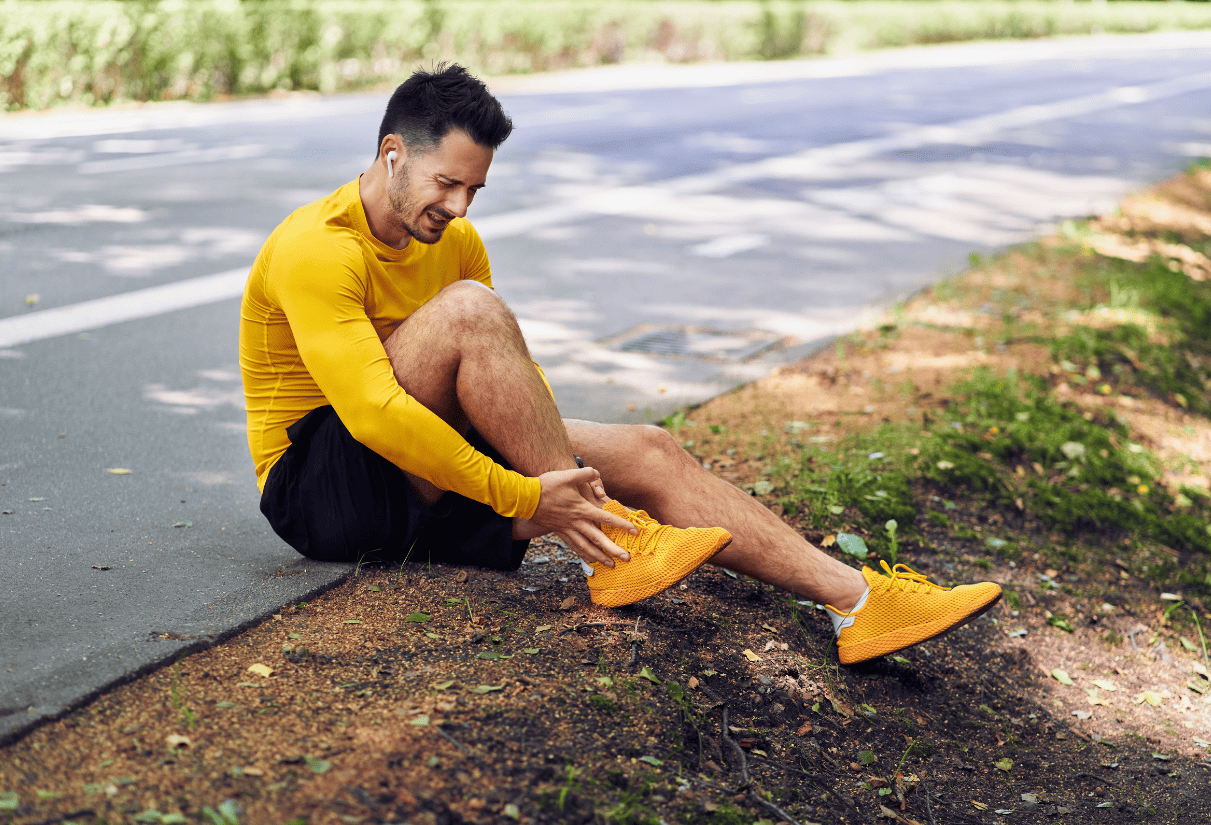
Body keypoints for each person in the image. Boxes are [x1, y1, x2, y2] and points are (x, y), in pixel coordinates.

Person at [239, 64, 1001, 665]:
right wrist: (521, 490)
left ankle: (859, 603)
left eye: (475, 187)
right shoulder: (317, 246)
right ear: (392, 154)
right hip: (321, 483)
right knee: (470, 310)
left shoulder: (453, 242)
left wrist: (555, 471)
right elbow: (373, 414)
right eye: (447, 183)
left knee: (649, 448)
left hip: (416, 457)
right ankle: (611, 549)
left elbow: (507, 374)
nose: (462, 207)